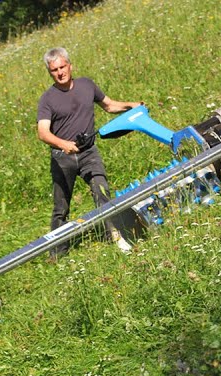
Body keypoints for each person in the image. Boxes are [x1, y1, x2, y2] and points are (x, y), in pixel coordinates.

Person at [36, 47, 141, 253]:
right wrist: (63, 144)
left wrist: (131, 105)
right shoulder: (47, 99)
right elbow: (43, 132)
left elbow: (109, 106)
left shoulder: (86, 85)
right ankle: (57, 254)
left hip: (88, 152)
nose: (60, 72)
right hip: (62, 157)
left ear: (70, 65)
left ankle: (116, 238)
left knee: (102, 192)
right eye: (54, 70)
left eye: (62, 67)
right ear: (50, 72)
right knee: (61, 208)